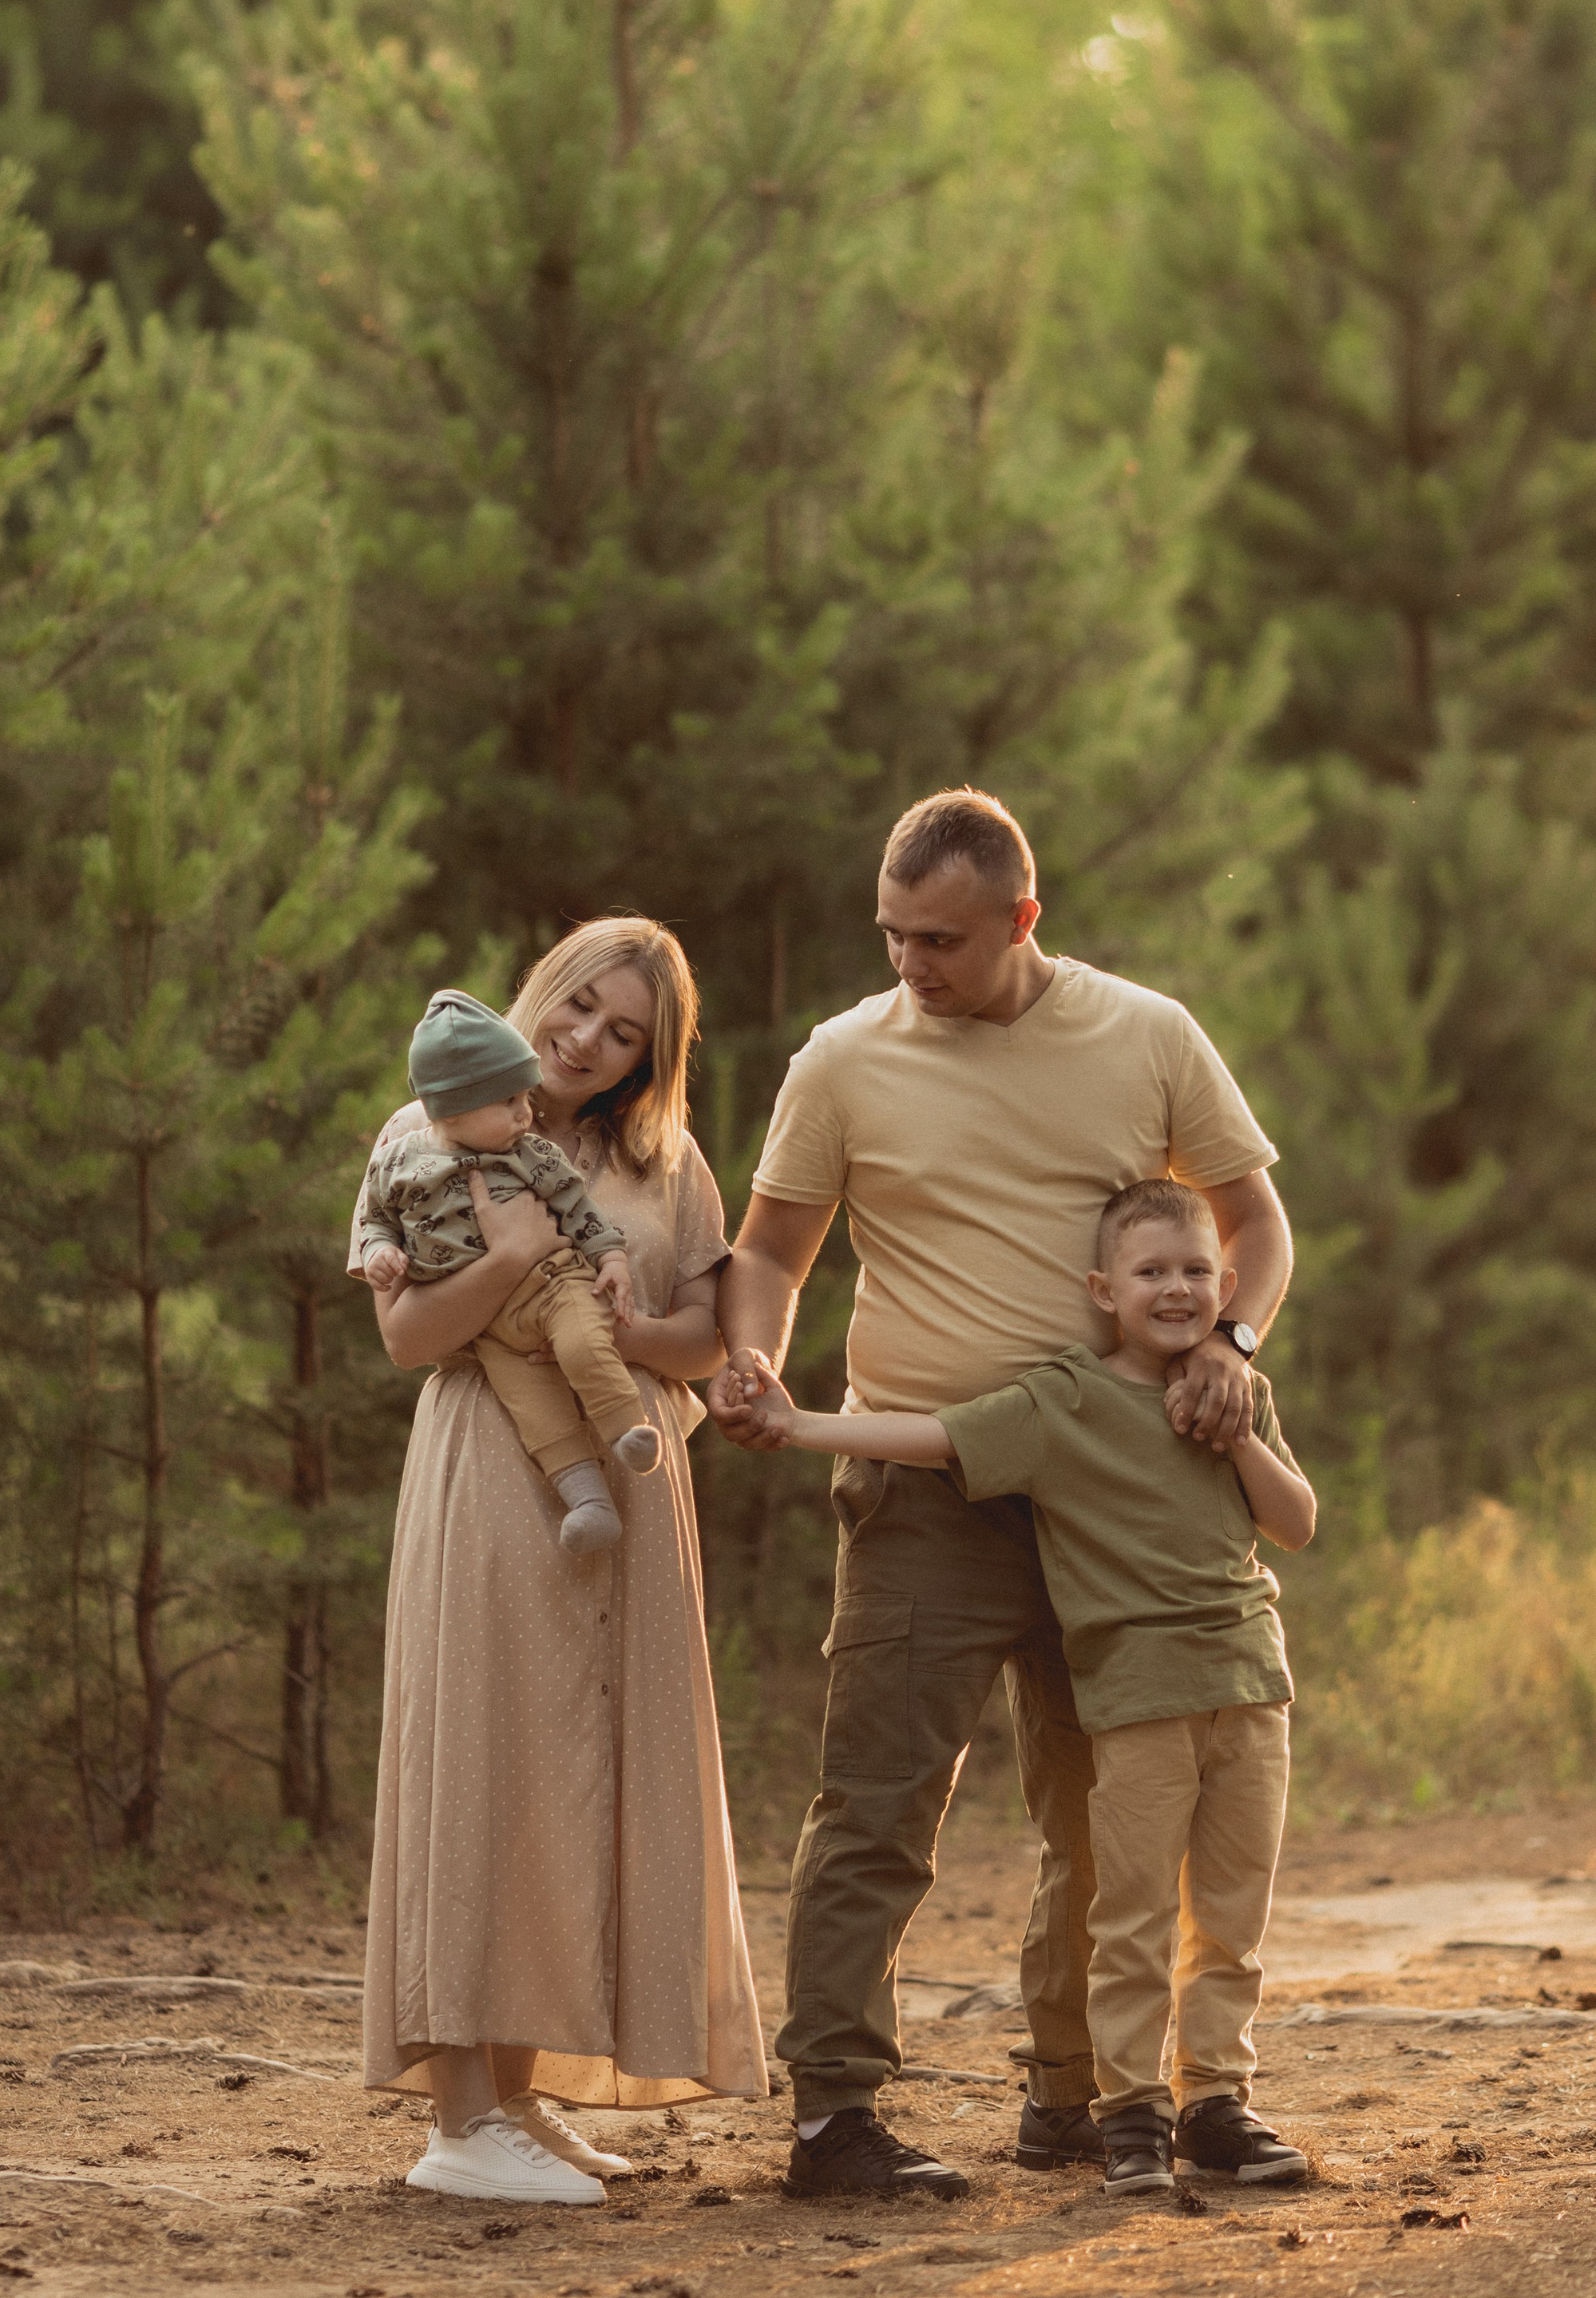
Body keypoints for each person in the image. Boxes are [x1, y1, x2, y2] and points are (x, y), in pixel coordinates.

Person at [708, 785, 1293, 2203]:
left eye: (943, 940)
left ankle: (1077, 2095)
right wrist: (753, 1357)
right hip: (925, 1492)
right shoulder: (845, 1060)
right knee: (877, 1803)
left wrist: (1230, 1343)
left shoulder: (1147, 1034)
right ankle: (834, 2115)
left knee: (1105, 1818)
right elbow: (772, 1253)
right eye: (893, 934)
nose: (910, 964)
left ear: (1023, 918)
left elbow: (1256, 1224)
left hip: (1116, 1497)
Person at [739, 1177, 1316, 2197]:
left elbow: (1296, 1522)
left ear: (1226, 1286)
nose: (1175, 1290)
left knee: (1231, 1920)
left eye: (1195, 1271)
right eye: (1150, 1271)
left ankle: (1217, 2101)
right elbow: (937, 1436)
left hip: (1250, 1683)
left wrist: (1236, 1430)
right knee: (1132, 1913)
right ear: (1102, 1291)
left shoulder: (1236, 1393)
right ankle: (1129, 2111)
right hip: (1137, 1697)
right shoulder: (1065, 1402)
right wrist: (800, 1425)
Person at [354, 917, 766, 2209]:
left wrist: (633, 1331)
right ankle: (459, 2120)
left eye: (625, 1032)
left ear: (652, 1058)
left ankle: (518, 2101)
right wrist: (517, 1262)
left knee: (572, 1784)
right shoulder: (426, 1131)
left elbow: (705, 1339)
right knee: (482, 1768)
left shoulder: (667, 1166)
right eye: (579, 1005)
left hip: (629, 1484)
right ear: (541, 991)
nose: (588, 1040)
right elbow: (408, 1339)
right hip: (488, 1473)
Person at [357, 987, 662, 1556]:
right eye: (509, 1102)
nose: (527, 1114)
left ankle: (627, 1429)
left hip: (555, 1285)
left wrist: (612, 1257)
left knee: (583, 1344)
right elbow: (378, 1221)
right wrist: (379, 1253)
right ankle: (590, 1503)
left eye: (525, 1096)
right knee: (537, 1413)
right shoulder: (397, 1158)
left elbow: (578, 1209)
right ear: (452, 1107)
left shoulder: (528, 1153)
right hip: (491, 1330)